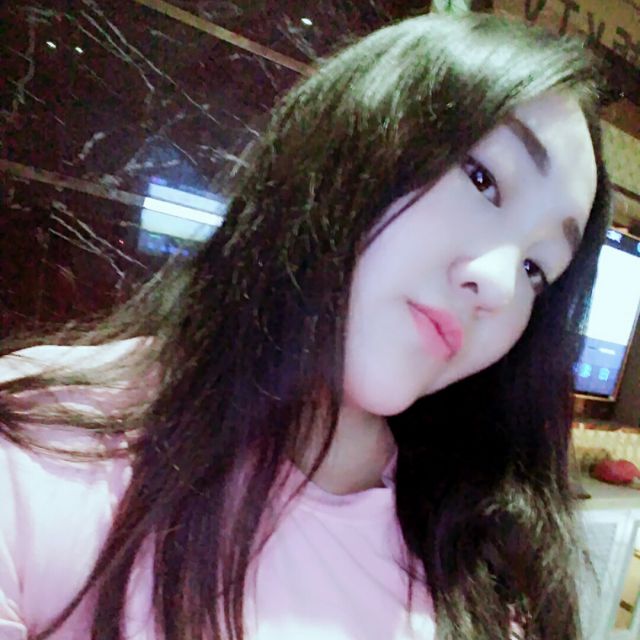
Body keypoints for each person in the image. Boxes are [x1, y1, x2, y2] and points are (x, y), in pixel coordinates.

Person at [0, 10, 611, 640]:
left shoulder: (480, 555)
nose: (502, 285)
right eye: (483, 180)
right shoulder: (42, 445)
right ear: (353, 134)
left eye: (538, 269)